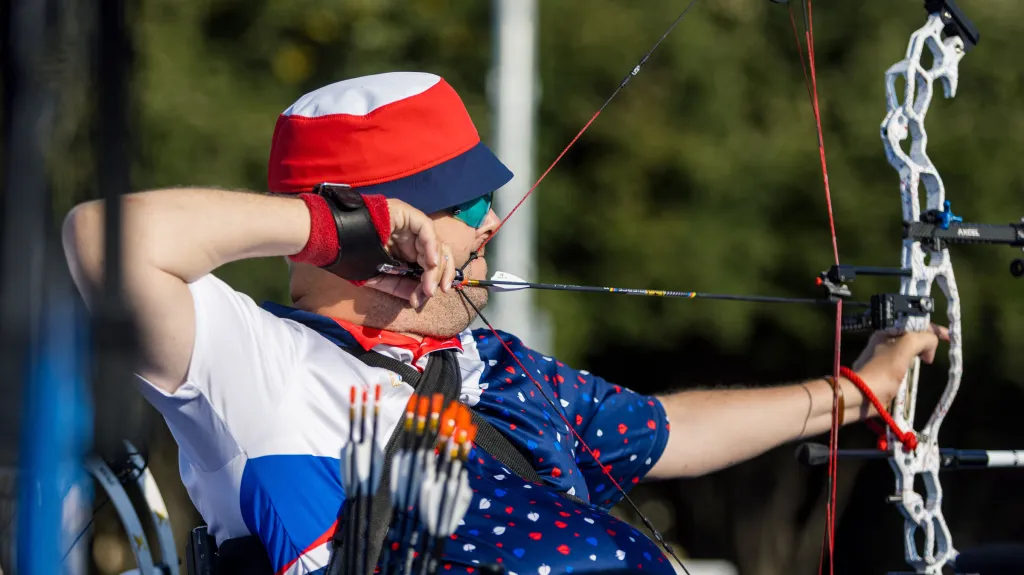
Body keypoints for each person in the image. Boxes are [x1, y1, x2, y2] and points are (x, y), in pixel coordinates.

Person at [62, 72, 946, 575]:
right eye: (465, 202)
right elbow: (99, 240)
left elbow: (669, 431)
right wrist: (326, 224)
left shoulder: (496, 365)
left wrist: (851, 392)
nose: (493, 219)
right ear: (381, 225)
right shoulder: (255, 366)